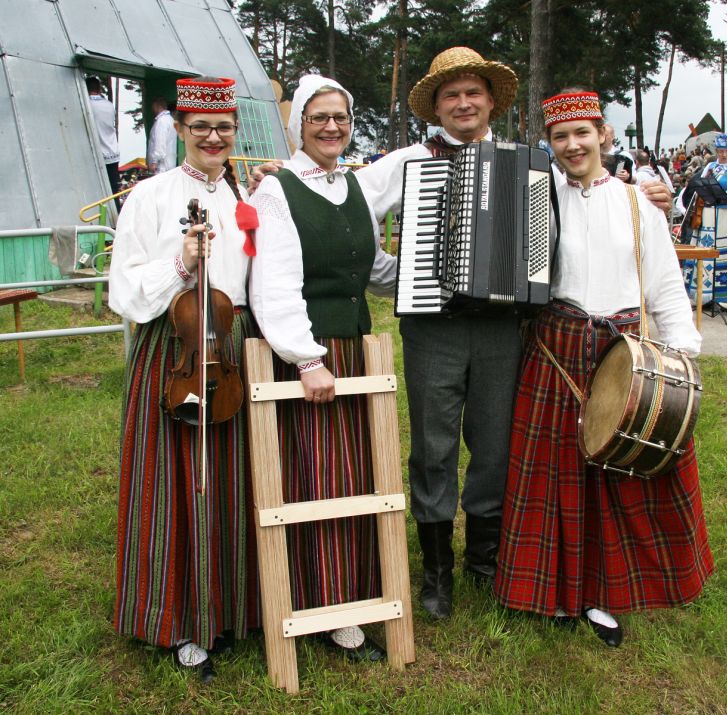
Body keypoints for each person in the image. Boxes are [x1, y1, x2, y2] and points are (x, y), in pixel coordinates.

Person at [248, 47, 673, 623]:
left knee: (496, 444)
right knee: (433, 445)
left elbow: (584, 194)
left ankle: (484, 556)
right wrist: (288, 180)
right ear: (437, 106)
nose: (463, 103)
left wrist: (642, 193)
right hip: (433, 328)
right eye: (451, 95)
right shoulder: (407, 161)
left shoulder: (534, 165)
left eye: (473, 92)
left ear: (491, 101)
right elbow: (340, 199)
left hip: (504, 328)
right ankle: (436, 567)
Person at [494, 90, 714, 648]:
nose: (572, 146)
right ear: (550, 142)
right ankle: (548, 589)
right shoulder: (538, 200)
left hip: (625, 352)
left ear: (603, 135)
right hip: (556, 347)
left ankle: (602, 592)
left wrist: (681, 350)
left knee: (620, 474)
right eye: (560, 137)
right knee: (554, 474)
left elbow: (665, 283)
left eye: (582, 134)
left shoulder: (639, 204)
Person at [109, 77, 260, 682]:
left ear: (234, 131)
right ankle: (177, 619)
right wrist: (181, 262)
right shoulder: (150, 196)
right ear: (179, 130)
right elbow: (124, 291)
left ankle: (235, 607)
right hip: (172, 349)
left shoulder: (248, 195)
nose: (213, 137)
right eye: (200, 127)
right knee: (173, 483)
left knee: (234, 479)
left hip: (232, 348)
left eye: (223, 127)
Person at [248, 74, 396, 661]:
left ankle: (350, 593)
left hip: (353, 348)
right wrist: (306, 358)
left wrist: (432, 273)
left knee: (354, 476)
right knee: (318, 477)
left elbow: (371, 267)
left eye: (340, 118)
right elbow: (273, 283)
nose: (332, 127)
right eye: (319, 118)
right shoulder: (277, 190)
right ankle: (327, 607)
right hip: (307, 355)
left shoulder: (351, 184)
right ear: (298, 127)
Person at [678, 134, 727, 305]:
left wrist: (719, 194)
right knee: (704, 249)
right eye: (721, 151)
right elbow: (699, 184)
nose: (724, 155)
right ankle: (701, 293)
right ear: (716, 151)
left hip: (726, 216)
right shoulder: (710, 166)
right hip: (708, 214)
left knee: (723, 252)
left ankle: (723, 296)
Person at [86, 76, 121, 198]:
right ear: (99, 88)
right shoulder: (109, 105)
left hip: (97, 153)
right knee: (113, 191)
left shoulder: (87, 104)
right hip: (113, 152)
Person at [147, 96, 178, 174]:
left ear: (156, 105)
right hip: (169, 163)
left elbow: (160, 142)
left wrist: (154, 162)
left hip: (162, 166)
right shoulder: (170, 120)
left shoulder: (161, 121)